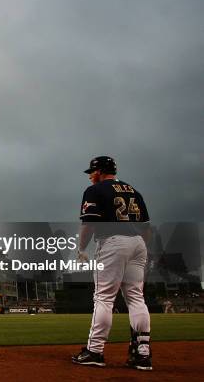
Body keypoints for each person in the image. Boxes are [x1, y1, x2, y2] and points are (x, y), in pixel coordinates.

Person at [71, 156, 152, 371]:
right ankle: (142, 354)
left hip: (112, 243)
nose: (90, 175)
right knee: (136, 297)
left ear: (100, 171)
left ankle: (95, 351)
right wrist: (141, 251)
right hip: (138, 243)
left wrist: (81, 248)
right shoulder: (133, 191)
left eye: (92, 171)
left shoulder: (94, 191)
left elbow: (88, 224)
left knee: (104, 298)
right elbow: (145, 227)